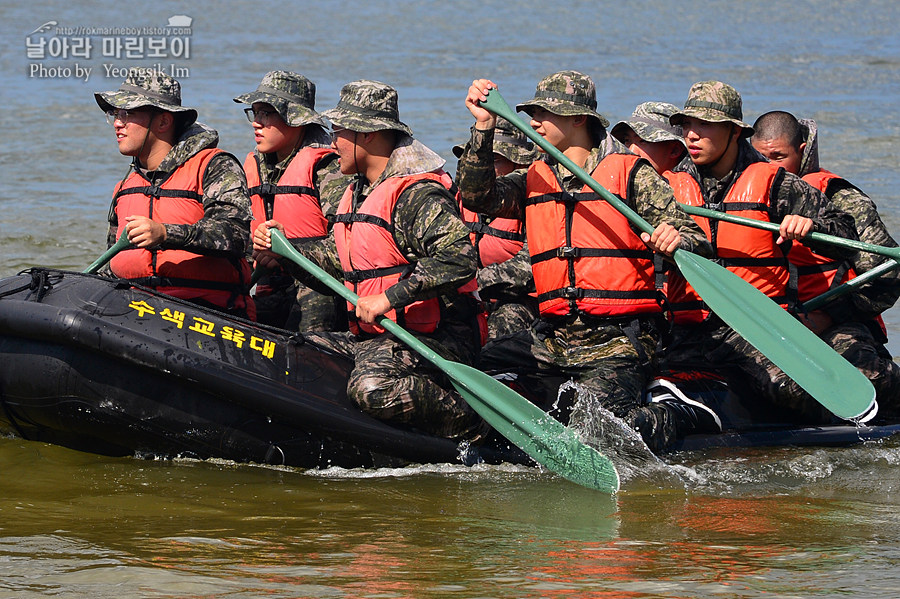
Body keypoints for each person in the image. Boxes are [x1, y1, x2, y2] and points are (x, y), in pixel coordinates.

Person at [457, 71, 719, 453]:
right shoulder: (533, 177)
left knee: (598, 430)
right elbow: (476, 195)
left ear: (579, 119)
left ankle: (676, 414)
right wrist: (483, 128)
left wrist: (674, 239)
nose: (533, 122)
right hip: (553, 337)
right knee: (474, 382)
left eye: (544, 113)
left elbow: (698, 242)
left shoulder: (631, 174)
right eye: (531, 113)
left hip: (617, 340)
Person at [254, 80, 486, 440]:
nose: (333, 143)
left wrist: (388, 298)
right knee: (291, 356)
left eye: (340, 132)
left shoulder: (416, 194)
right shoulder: (358, 191)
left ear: (370, 135)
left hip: (432, 338)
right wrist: (285, 251)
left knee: (371, 388)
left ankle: (473, 423)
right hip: (373, 337)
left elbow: (459, 259)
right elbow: (334, 261)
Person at [663, 81, 860, 423]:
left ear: (735, 132)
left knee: (791, 391)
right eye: (687, 125)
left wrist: (810, 229)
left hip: (755, 327)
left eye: (705, 124)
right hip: (688, 327)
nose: (692, 135)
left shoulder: (778, 184)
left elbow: (845, 231)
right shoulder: (665, 186)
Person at [750, 110, 900, 408]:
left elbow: (887, 276)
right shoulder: (741, 193)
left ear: (801, 150)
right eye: (760, 157)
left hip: (835, 324)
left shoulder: (841, 199)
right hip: (764, 326)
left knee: (865, 376)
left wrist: (830, 315)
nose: (769, 167)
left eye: (778, 157)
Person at [95, 68, 255, 319]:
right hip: (134, 315)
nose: (117, 122)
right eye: (115, 113)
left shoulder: (215, 166)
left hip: (207, 316)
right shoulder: (125, 186)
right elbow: (113, 263)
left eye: (128, 113)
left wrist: (165, 233)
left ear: (163, 121)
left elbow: (236, 235)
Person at [234, 71, 351, 330]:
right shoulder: (254, 165)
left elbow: (346, 244)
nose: (256, 122)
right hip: (267, 284)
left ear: (295, 119)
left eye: (266, 113)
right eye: (254, 113)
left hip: (318, 287)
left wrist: (287, 253)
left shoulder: (328, 168)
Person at [452, 116, 539, 339]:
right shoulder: (454, 200)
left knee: (504, 322)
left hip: (517, 300)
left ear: (518, 165)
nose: (483, 169)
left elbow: (531, 267)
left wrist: (475, 282)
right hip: (465, 295)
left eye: (495, 161)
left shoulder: (534, 202)